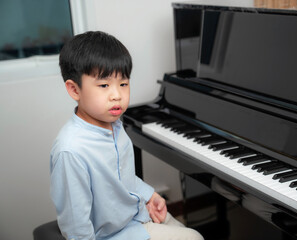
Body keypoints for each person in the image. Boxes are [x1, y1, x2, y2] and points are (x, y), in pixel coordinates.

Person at [50, 31, 204, 240]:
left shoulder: (114, 124)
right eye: (104, 85)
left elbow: (124, 178)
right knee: (195, 237)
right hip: (113, 234)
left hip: (135, 216)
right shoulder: (71, 151)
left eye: (123, 84)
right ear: (74, 89)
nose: (117, 95)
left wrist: (150, 195)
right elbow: (77, 227)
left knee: (187, 231)